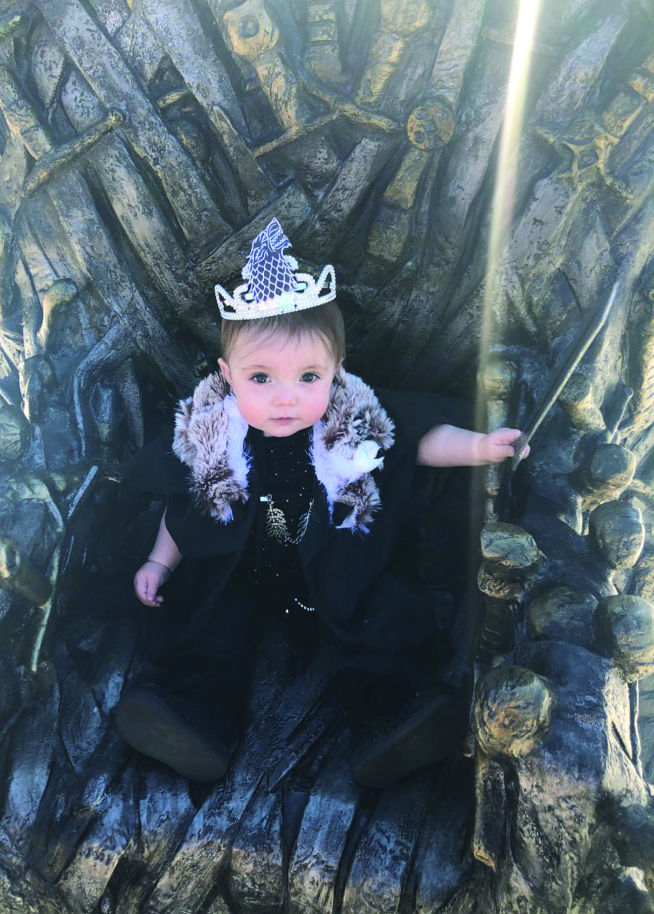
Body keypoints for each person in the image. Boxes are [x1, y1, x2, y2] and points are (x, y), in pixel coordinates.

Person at [116, 218, 528, 786]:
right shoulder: (214, 433)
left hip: (335, 568)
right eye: (261, 378)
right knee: (211, 631)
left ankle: (392, 719)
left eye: (308, 376)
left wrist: (481, 447)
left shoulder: (349, 418)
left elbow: (417, 440)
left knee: (376, 619)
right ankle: (192, 719)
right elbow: (184, 508)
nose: (285, 398)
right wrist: (160, 562)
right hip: (240, 573)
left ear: (336, 373)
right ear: (227, 375)